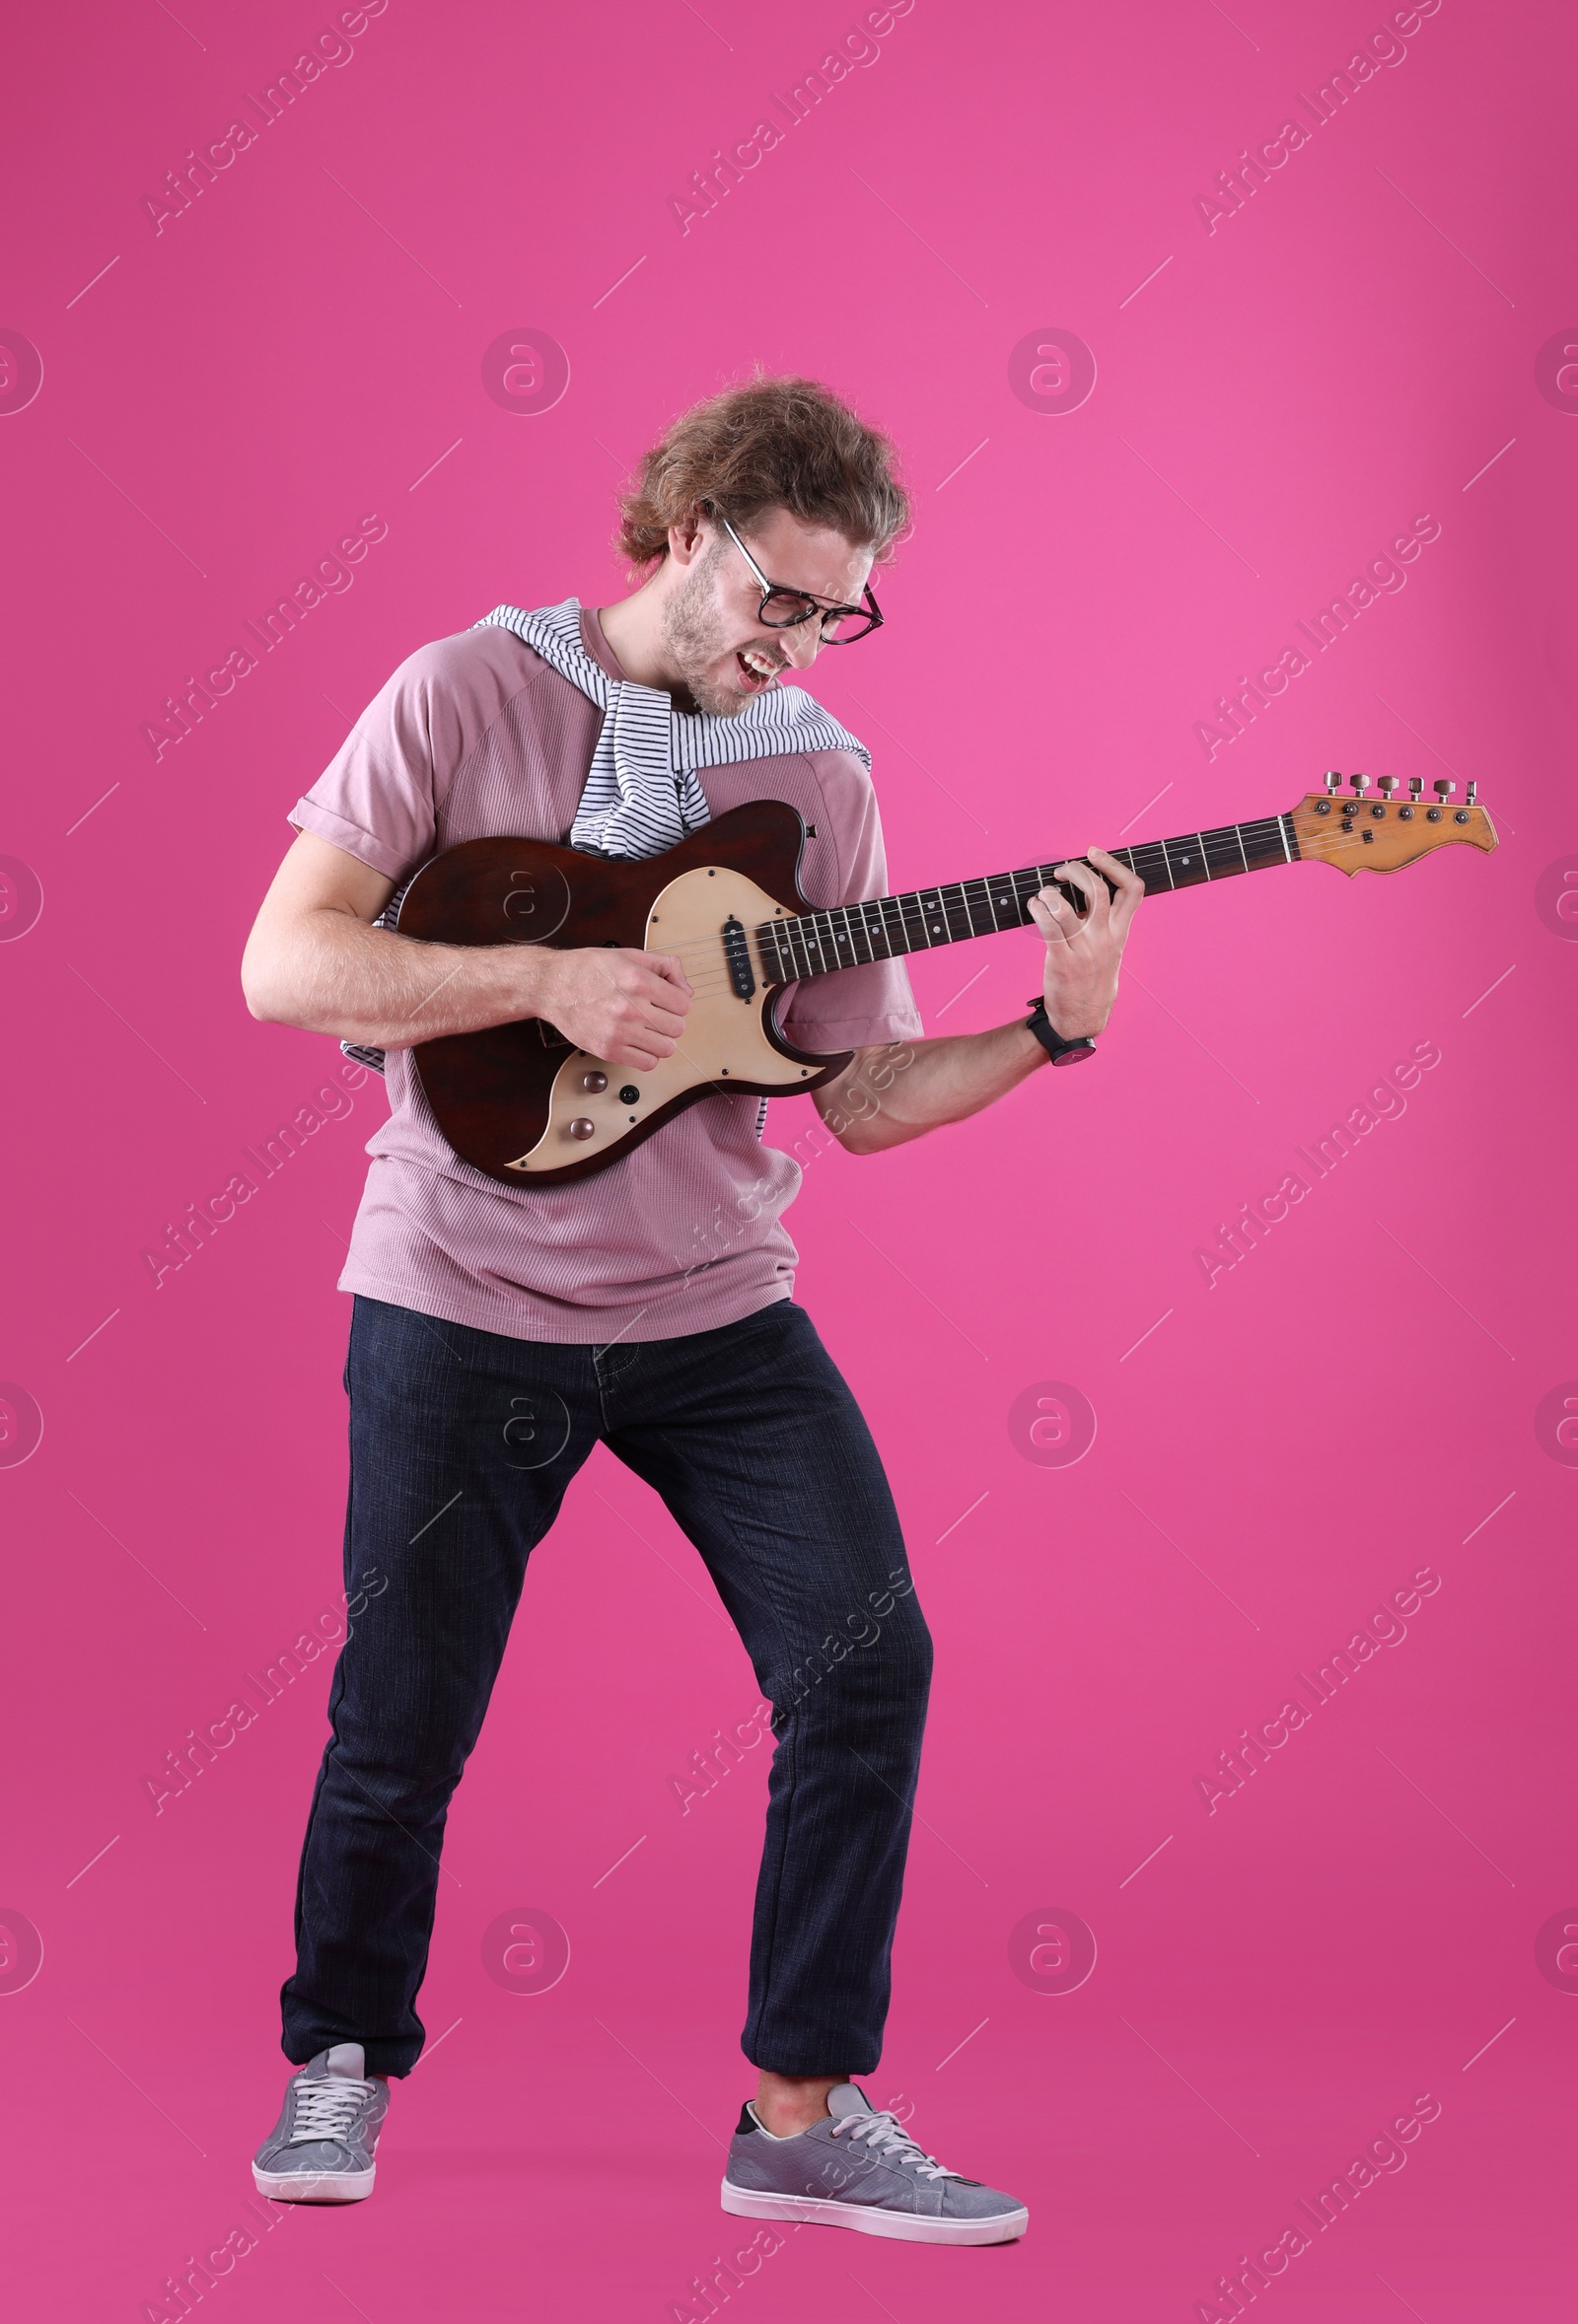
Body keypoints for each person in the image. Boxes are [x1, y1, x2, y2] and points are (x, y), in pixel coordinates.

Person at [240, 374, 1142, 2243]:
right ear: (682, 534)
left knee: (866, 1662)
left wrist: (1054, 1024)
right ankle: (337, 2052)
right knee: (404, 1711)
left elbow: (864, 1098)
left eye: (839, 614)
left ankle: (799, 2109)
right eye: (782, 602)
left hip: (715, 1308)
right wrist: (540, 983)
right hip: (458, 1290)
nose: (801, 647)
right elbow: (284, 959)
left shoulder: (819, 778)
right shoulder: (462, 691)